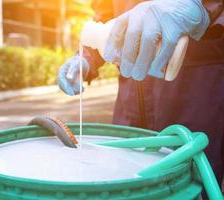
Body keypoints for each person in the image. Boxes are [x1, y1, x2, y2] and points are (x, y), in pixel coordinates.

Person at [58, 0, 224, 195]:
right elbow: (106, 17)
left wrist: (203, 7)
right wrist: (86, 57)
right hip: (130, 98)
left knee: (190, 183)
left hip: (196, 88)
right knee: (124, 182)